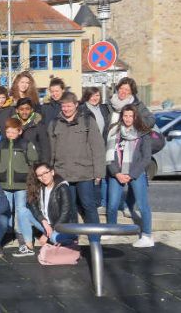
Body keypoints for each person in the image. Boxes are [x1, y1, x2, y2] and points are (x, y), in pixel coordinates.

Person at [49, 92, 105, 243]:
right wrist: (51, 169)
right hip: (63, 173)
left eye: (68, 105)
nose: (66, 109)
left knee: (88, 205)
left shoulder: (87, 121)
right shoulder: (55, 123)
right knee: (69, 208)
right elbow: (51, 149)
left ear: (76, 105)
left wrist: (99, 172)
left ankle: (95, 238)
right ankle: (73, 239)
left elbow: (98, 147)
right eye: (63, 106)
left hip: (84, 173)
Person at [106, 105, 154, 247]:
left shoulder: (143, 132)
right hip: (117, 172)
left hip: (136, 173)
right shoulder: (114, 131)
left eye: (130, 116)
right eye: (125, 116)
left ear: (135, 117)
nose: (127, 119)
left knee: (142, 205)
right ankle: (111, 230)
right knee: (112, 204)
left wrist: (131, 175)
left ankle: (146, 235)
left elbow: (146, 157)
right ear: (122, 116)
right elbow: (109, 155)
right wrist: (116, 173)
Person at [0, 117, 38, 255]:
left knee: (21, 210)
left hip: (21, 184)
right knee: (7, 210)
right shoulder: (0, 145)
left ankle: (21, 237)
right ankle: (8, 233)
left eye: (13, 131)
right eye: (8, 132)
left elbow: (33, 161)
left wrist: (29, 176)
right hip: (4, 183)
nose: (10, 134)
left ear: (20, 131)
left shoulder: (25, 144)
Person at [19, 162, 77, 257]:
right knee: (23, 211)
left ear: (52, 172)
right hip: (47, 225)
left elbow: (65, 215)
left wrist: (47, 234)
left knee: (54, 237)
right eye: (39, 175)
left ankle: (70, 242)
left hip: (62, 227)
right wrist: (43, 221)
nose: (43, 177)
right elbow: (33, 206)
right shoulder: (39, 187)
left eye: (45, 173)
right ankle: (29, 247)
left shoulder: (63, 188)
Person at [80, 87, 113, 212]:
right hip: (87, 146)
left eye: (97, 96)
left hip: (103, 145)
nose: (95, 98)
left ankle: (102, 203)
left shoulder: (104, 109)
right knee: (91, 175)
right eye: (92, 96)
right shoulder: (82, 109)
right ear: (87, 96)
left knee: (102, 174)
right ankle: (91, 203)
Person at [14, 98, 51, 163]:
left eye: (27, 109)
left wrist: (44, 164)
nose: (24, 112)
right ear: (17, 110)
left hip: (35, 163)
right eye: (21, 109)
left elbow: (45, 148)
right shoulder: (12, 125)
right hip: (17, 163)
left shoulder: (39, 125)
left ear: (32, 110)